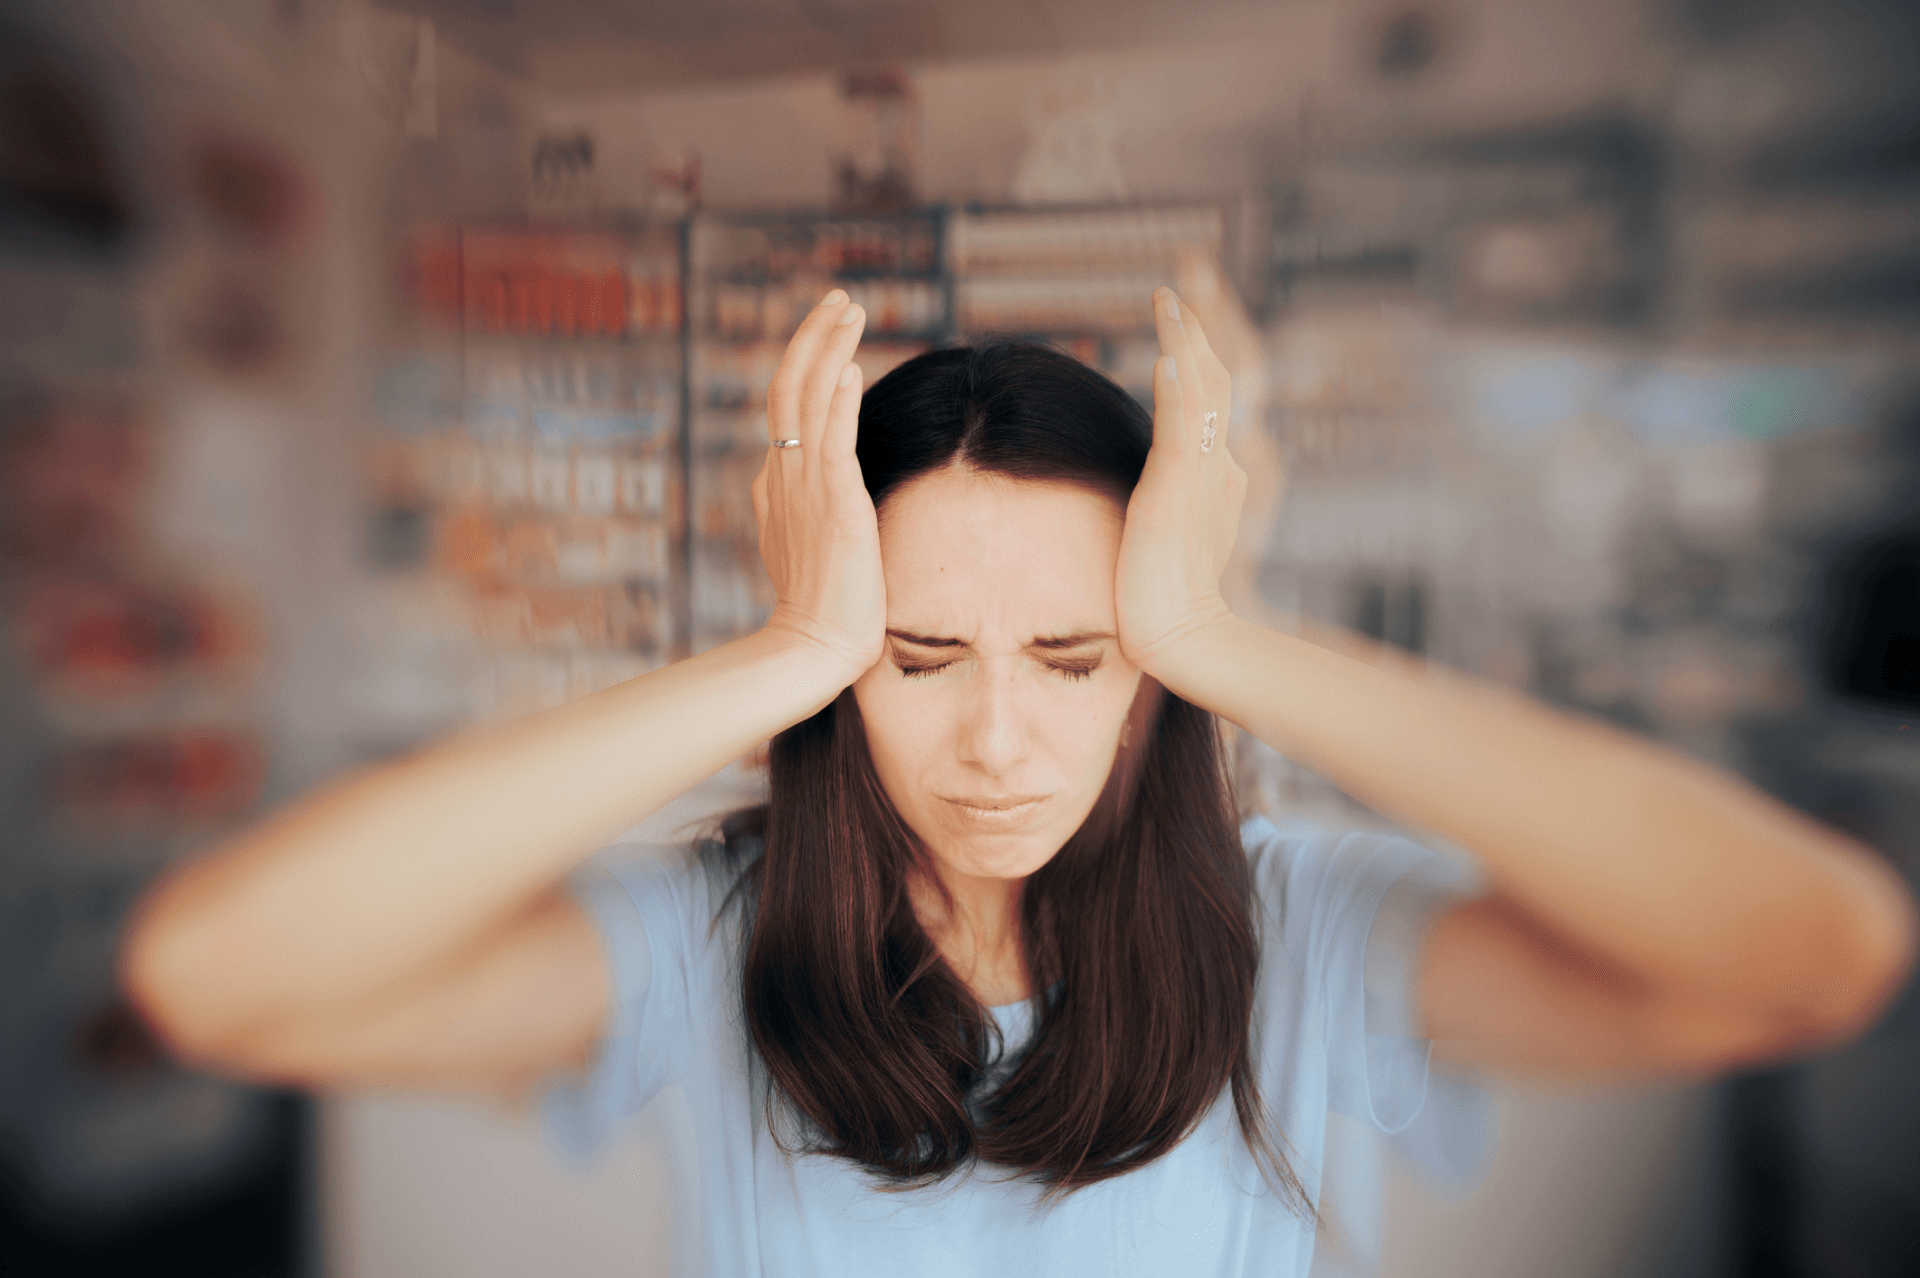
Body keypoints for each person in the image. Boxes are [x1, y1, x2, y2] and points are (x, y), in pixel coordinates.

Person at [122, 285, 1916, 1276]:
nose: (997, 744)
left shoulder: (1295, 934)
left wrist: (1231, 641)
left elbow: (1812, 953)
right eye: (909, 659)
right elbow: (217, 975)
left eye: (1078, 661)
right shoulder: (710, 940)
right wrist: (769, 660)